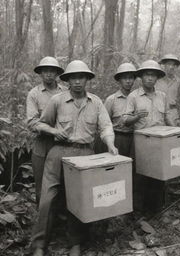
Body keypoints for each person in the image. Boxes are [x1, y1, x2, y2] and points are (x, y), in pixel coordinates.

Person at [31, 60, 118, 256]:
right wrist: (54, 130)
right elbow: (39, 124)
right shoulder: (57, 100)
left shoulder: (96, 102)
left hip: (85, 154)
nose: (77, 81)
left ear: (87, 79)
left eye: (81, 77)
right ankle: (39, 245)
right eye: (73, 77)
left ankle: (75, 243)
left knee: (78, 199)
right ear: (68, 80)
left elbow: (106, 126)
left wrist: (111, 144)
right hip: (58, 152)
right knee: (47, 199)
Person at [124, 60, 173, 212]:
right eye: (147, 75)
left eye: (153, 75)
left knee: (159, 176)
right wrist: (136, 117)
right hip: (141, 142)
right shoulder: (133, 96)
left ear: (157, 78)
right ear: (141, 77)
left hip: (159, 143)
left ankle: (156, 210)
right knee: (139, 177)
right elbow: (125, 120)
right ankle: (137, 212)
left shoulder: (162, 96)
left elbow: (168, 117)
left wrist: (177, 131)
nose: (150, 78)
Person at [26, 56, 66, 205]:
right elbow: (31, 122)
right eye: (45, 71)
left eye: (52, 71)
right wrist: (53, 131)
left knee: (62, 183)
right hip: (42, 145)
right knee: (42, 186)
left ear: (57, 74)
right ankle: (44, 220)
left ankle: (60, 220)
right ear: (40, 73)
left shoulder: (66, 91)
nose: (49, 74)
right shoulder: (34, 94)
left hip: (63, 145)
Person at [104, 63, 137, 157]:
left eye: (130, 78)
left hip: (134, 138)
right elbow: (105, 124)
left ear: (134, 79)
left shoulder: (137, 98)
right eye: (124, 78)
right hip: (117, 138)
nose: (128, 81)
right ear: (119, 80)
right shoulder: (111, 100)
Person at [155, 54, 180, 126]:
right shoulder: (157, 80)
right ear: (164, 65)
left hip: (172, 113)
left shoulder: (178, 81)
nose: (171, 67)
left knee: (173, 135)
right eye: (169, 64)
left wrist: (179, 117)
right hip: (158, 112)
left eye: (174, 65)